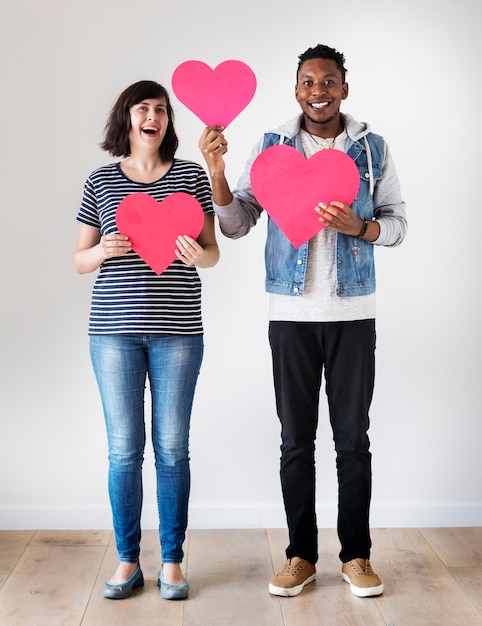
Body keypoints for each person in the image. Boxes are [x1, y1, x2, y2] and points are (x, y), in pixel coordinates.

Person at [199, 44, 406, 598]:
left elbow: (397, 224)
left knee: (352, 441)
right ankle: (300, 556)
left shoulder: (371, 148)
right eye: (309, 82)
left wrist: (357, 228)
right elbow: (238, 222)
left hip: (353, 314)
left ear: (344, 88)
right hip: (290, 316)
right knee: (295, 441)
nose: (319, 90)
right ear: (296, 90)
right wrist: (216, 172)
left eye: (329, 81)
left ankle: (357, 556)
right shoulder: (271, 147)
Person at [73, 80, 219, 601]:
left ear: (167, 121)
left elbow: (212, 253)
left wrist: (194, 256)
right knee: (123, 451)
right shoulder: (102, 181)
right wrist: (105, 250)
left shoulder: (191, 177)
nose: (152, 117)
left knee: (173, 449)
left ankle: (173, 562)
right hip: (112, 333)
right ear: (127, 119)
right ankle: (128, 559)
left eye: (160, 109)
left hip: (178, 332)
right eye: (143, 108)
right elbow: (79, 260)